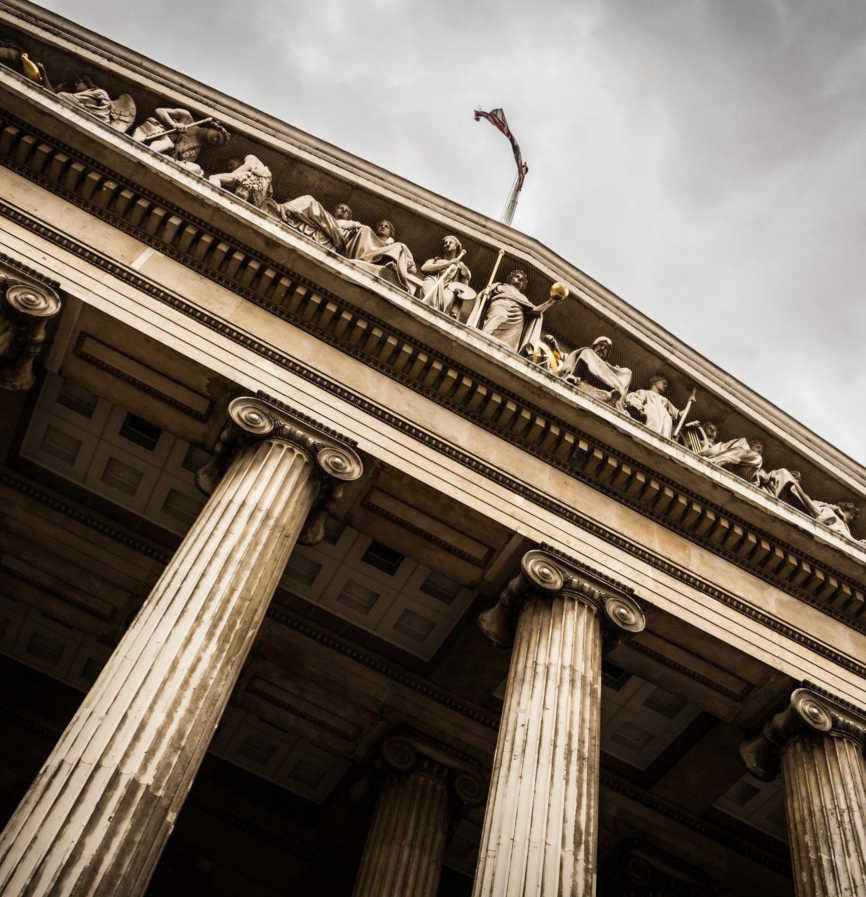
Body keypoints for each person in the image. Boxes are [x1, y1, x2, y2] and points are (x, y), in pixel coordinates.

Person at [467, 268, 563, 354]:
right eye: (517, 277)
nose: (520, 279)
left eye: (522, 280)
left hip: (517, 317)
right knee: (497, 319)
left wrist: (551, 301)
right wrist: (486, 294)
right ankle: (481, 340)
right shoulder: (500, 285)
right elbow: (486, 294)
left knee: (508, 344)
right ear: (511, 278)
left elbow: (534, 311)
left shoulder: (523, 297)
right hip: (500, 306)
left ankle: (505, 353)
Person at [132, 107, 229, 176]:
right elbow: (159, 110)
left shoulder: (194, 152)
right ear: (214, 127)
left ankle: (144, 153)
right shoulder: (186, 117)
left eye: (216, 142)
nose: (214, 140)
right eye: (217, 136)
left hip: (155, 154)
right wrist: (173, 124)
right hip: (150, 132)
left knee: (167, 144)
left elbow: (177, 164)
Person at [342, 218, 418, 294]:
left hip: (381, 261)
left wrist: (409, 264)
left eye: (386, 226)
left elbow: (412, 267)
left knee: (400, 246)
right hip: (367, 256)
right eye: (380, 225)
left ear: (390, 232)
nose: (383, 227)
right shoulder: (369, 235)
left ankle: (389, 267)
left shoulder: (393, 246)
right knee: (365, 228)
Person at [560, 335, 632, 409]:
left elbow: (614, 373)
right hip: (589, 376)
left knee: (627, 372)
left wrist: (616, 371)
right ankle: (575, 377)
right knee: (587, 351)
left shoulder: (607, 366)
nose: (602, 348)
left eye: (606, 348)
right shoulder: (589, 353)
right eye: (601, 345)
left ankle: (614, 393)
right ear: (594, 346)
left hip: (605, 382)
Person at [55, 74, 136, 132]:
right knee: (62, 95)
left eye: (79, 82)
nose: (76, 85)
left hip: (95, 115)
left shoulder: (99, 92)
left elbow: (105, 107)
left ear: (86, 83)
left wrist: (87, 107)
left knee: (62, 95)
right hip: (83, 109)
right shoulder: (81, 94)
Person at [272, 196, 357, 250]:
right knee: (309, 201)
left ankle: (282, 210)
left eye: (347, 211)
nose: (343, 210)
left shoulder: (349, 224)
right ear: (334, 210)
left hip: (333, 232)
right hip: (318, 224)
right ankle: (285, 211)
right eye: (341, 208)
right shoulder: (328, 217)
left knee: (311, 201)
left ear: (349, 218)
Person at [691, 422, 764, 483]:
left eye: (715, 430)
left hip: (733, 466)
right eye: (710, 428)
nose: (759, 451)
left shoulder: (756, 457)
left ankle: (715, 460)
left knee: (751, 455)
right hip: (726, 464)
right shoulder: (701, 441)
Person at [419, 235, 473, 316]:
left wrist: (464, 270)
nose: (447, 244)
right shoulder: (435, 260)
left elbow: (465, 282)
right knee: (429, 294)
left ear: (456, 247)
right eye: (445, 243)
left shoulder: (459, 266)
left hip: (448, 288)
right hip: (433, 281)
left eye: (450, 243)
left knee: (448, 297)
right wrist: (449, 263)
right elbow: (424, 268)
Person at [208, 155, 273, 209]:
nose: (229, 168)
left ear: (240, 161)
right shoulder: (238, 180)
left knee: (214, 177)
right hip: (256, 200)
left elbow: (249, 165)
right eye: (228, 168)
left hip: (260, 196)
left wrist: (232, 175)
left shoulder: (250, 158)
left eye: (230, 164)